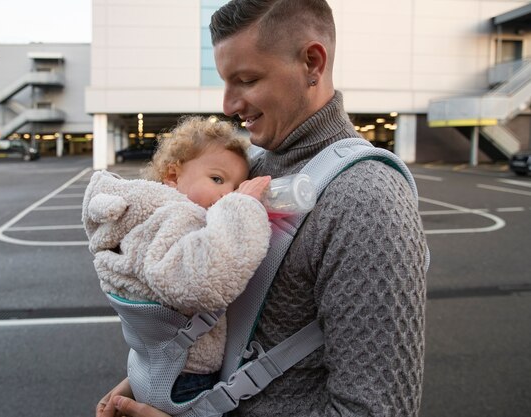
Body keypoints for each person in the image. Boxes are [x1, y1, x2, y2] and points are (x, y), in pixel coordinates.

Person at [96, 1, 428, 416]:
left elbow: (378, 410)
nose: (229, 104)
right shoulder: (246, 166)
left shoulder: (368, 199)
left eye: (247, 79)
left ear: (312, 62)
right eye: (225, 82)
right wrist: (155, 381)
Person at [84, 116, 272, 410]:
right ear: (173, 175)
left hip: (152, 366)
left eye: (235, 188)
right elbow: (203, 279)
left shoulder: (142, 215)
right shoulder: (177, 219)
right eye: (217, 179)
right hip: (185, 378)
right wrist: (242, 207)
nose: (227, 195)